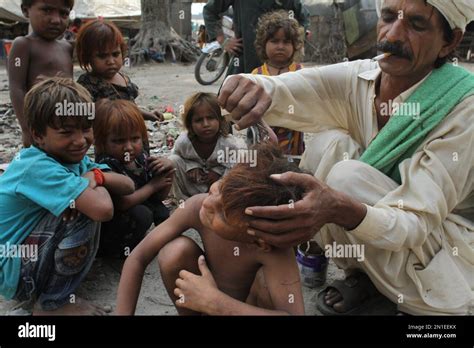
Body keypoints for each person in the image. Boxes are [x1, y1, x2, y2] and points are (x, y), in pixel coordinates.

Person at [218, 0, 474, 315]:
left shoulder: (464, 109)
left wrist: (339, 209)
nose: (393, 34)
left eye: (416, 24)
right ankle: (366, 276)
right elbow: (285, 90)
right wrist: (248, 86)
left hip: (442, 257)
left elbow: (415, 223)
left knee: (345, 179)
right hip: (387, 237)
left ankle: (402, 294)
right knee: (328, 144)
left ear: (450, 41)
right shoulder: (363, 77)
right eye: (388, 17)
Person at [116, 144, 305, 315]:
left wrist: (218, 304)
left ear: (259, 239)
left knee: (265, 282)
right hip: (203, 304)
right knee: (174, 251)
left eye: (223, 212)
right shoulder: (196, 206)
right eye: (221, 187)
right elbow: (137, 258)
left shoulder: (274, 249)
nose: (209, 202)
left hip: (238, 308)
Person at [0, 78, 135, 315]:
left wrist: (97, 177)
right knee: (82, 211)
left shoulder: (73, 158)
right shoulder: (36, 166)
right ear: (38, 135)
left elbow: (127, 185)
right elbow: (103, 209)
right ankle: (53, 304)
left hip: (23, 260)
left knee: (85, 200)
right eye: (66, 132)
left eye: (86, 129)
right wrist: (90, 186)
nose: (81, 140)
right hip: (13, 269)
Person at [93, 99, 175, 258]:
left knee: (162, 212)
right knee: (142, 214)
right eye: (118, 141)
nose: (128, 147)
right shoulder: (107, 165)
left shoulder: (141, 157)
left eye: (135, 139)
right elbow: (123, 203)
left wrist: (167, 171)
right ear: (102, 142)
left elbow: (159, 196)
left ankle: (157, 242)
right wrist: (152, 186)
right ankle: (119, 252)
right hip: (118, 218)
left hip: (139, 201)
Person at [8, 0, 75, 147]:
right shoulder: (23, 45)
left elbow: (72, 87)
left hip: (66, 121)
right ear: (26, 10)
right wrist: (27, 129)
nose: (56, 20)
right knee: (41, 163)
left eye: (64, 13)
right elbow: (17, 88)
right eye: (47, 10)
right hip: (40, 125)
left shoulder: (66, 47)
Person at [76, 19, 163, 122]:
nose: (111, 61)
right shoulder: (87, 85)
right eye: (102, 56)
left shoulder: (124, 79)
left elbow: (130, 108)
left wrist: (148, 115)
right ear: (87, 57)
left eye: (115, 54)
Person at [168, 92, 246, 200]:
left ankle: (219, 199)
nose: (206, 124)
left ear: (220, 120)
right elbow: (176, 155)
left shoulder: (228, 143)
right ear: (190, 124)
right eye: (199, 120)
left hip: (218, 187)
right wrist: (190, 166)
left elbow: (232, 165)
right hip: (194, 185)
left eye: (211, 118)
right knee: (173, 161)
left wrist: (218, 172)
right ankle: (182, 200)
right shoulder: (184, 142)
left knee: (240, 162)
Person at [203, 0, 309, 75]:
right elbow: (210, 11)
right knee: (232, 100)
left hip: (279, 64)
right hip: (244, 59)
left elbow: (303, 18)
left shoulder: (296, 72)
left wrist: (297, 41)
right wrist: (223, 40)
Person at [251, 10, 305, 156]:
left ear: (295, 46)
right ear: (263, 44)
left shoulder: (301, 73)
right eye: (274, 41)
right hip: (264, 137)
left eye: (286, 42)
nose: (280, 46)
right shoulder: (257, 75)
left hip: (293, 139)